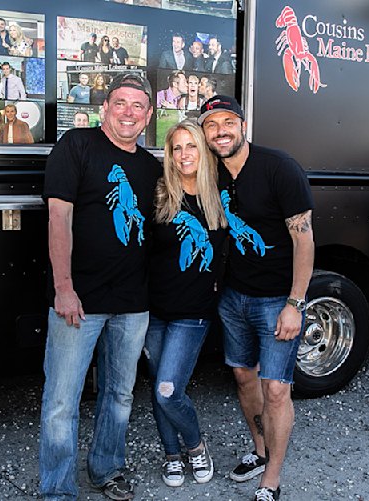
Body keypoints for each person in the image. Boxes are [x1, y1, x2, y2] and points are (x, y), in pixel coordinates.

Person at [39, 73, 159, 501]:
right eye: (120, 103)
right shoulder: (77, 145)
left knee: (120, 396)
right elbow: (58, 218)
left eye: (138, 106)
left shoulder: (151, 168)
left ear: (148, 116)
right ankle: (56, 490)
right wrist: (64, 287)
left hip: (132, 301)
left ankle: (106, 470)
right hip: (80, 300)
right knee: (61, 401)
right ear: (106, 107)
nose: (129, 112)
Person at [199, 95, 314, 501]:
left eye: (228, 121)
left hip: (275, 300)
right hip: (232, 297)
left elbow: (304, 239)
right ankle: (260, 449)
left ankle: (273, 477)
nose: (221, 131)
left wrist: (295, 303)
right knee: (244, 376)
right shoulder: (209, 171)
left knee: (277, 388)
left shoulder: (278, 167)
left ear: (243, 124)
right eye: (212, 125)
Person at [145, 119, 226, 489]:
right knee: (159, 387)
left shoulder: (219, 196)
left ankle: (195, 447)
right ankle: (171, 455)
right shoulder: (160, 193)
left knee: (167, 389)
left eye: (190, 146)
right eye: (176, 148)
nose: (183, 155)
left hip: (193, 313)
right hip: (154, 310)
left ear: (203, 150)